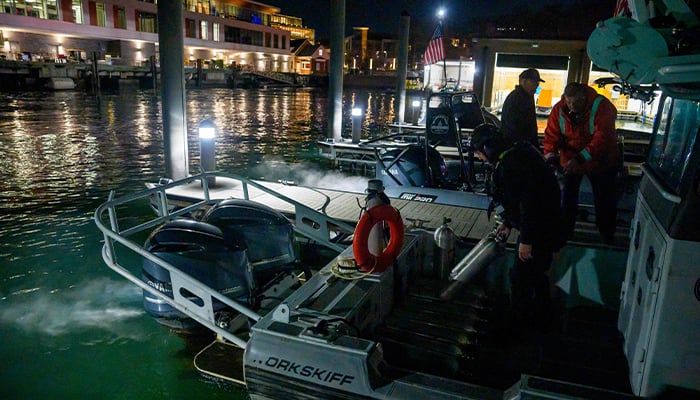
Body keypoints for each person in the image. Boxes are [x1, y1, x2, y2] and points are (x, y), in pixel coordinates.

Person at [471, 123, 563, 331]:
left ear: (488, 148)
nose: (479, 158)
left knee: (521, 278)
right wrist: (508, 224)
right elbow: (520, 199)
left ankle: (521, 326)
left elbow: (530, 204)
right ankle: (543, 320)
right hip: (547, 224)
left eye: (478, 153)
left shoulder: (511, 165)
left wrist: (527, 241)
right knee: (537, 274)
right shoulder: (518, 154)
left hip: (540, 229)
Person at [543, 82, 619, 244]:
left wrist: (579, 159)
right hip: (570, 161)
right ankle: (564, 233)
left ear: (584, 98)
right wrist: (550, 156)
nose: (571, 106)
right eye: (569, 102)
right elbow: (551, 135)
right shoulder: (559, 109)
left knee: (604, 199)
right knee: (566, 198)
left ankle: (606, 234)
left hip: (600, 161)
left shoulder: (602, 107)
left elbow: (602, 139)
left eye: (575, 103)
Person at [500, 68, 544, 148]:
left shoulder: (526, 97)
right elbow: (514, 127)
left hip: (520, 146)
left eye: (538, 83)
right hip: (518, 148)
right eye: (534, 82)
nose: (537, 85)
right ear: (523, 82)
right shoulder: (517, 99)